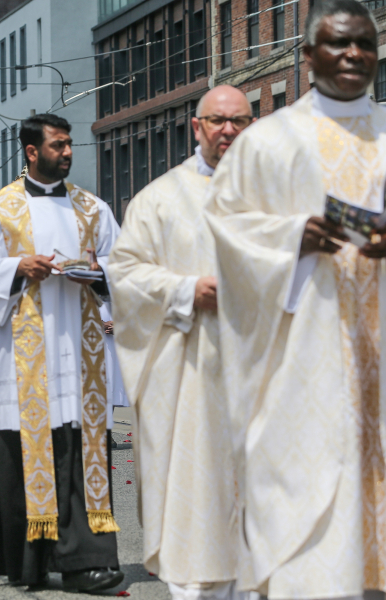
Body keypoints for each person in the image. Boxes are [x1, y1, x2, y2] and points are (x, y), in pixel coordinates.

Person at [204, 2, 386, 596]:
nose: (354, 54)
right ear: (308, 58)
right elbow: (226, 228)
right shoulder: (271, 142)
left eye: (364, 43)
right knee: (314, 546)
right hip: (302, 357)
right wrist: (289, 236)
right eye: (339, 44)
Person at [0, 114, 123, 592]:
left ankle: (87, 560)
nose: (67, 152)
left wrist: (98, 270)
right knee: (27, 454)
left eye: (70, 145)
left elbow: (126, 261)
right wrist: (17, 267)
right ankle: (30, 562)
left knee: (79, 450)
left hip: (80, 350)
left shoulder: (93, 208)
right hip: (22, 356)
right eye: (58, 145)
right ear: (32, 151)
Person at [108, 86, 254, 600]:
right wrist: (186, 289)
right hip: (194, 374)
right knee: (200, 497)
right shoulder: (161, 199)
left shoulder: (279, 193)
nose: (229, 131)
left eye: (239, 121)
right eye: (218, 121)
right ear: (197, 127)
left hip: (266, 375)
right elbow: (124, 275)